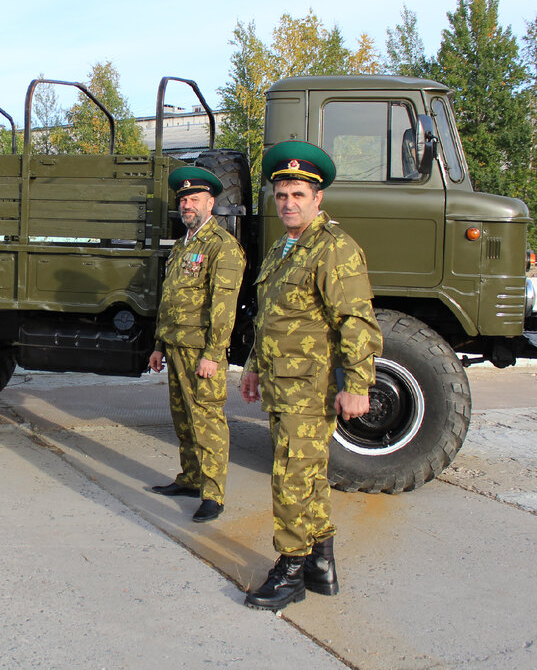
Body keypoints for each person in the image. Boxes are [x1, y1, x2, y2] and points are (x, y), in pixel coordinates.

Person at [239, 142, 382, 610]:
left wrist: (358, 384)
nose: (288, 203)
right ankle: (320, 564)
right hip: (283, 383)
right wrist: (254, 367)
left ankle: (290, 569)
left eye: (298, 194)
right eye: (282, 195)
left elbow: (355, 320)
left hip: (310, 387)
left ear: (317, 198)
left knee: (290, 476)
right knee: (308, 477)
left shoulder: (334, 248)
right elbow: (273, 316)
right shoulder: (285, 247)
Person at [148, 166, 245, 523]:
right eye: (183, 200)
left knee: (207, 421)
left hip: (201, 350)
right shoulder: (182, 244)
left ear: (211, 203)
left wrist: (213, 355)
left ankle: (213, 495)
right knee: (184, 420)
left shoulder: (222, 247)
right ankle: (190, 478)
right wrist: (159, 344)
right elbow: (170, 298)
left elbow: (223, 306)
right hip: (175, 345)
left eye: (194, 199)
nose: (187, 205)